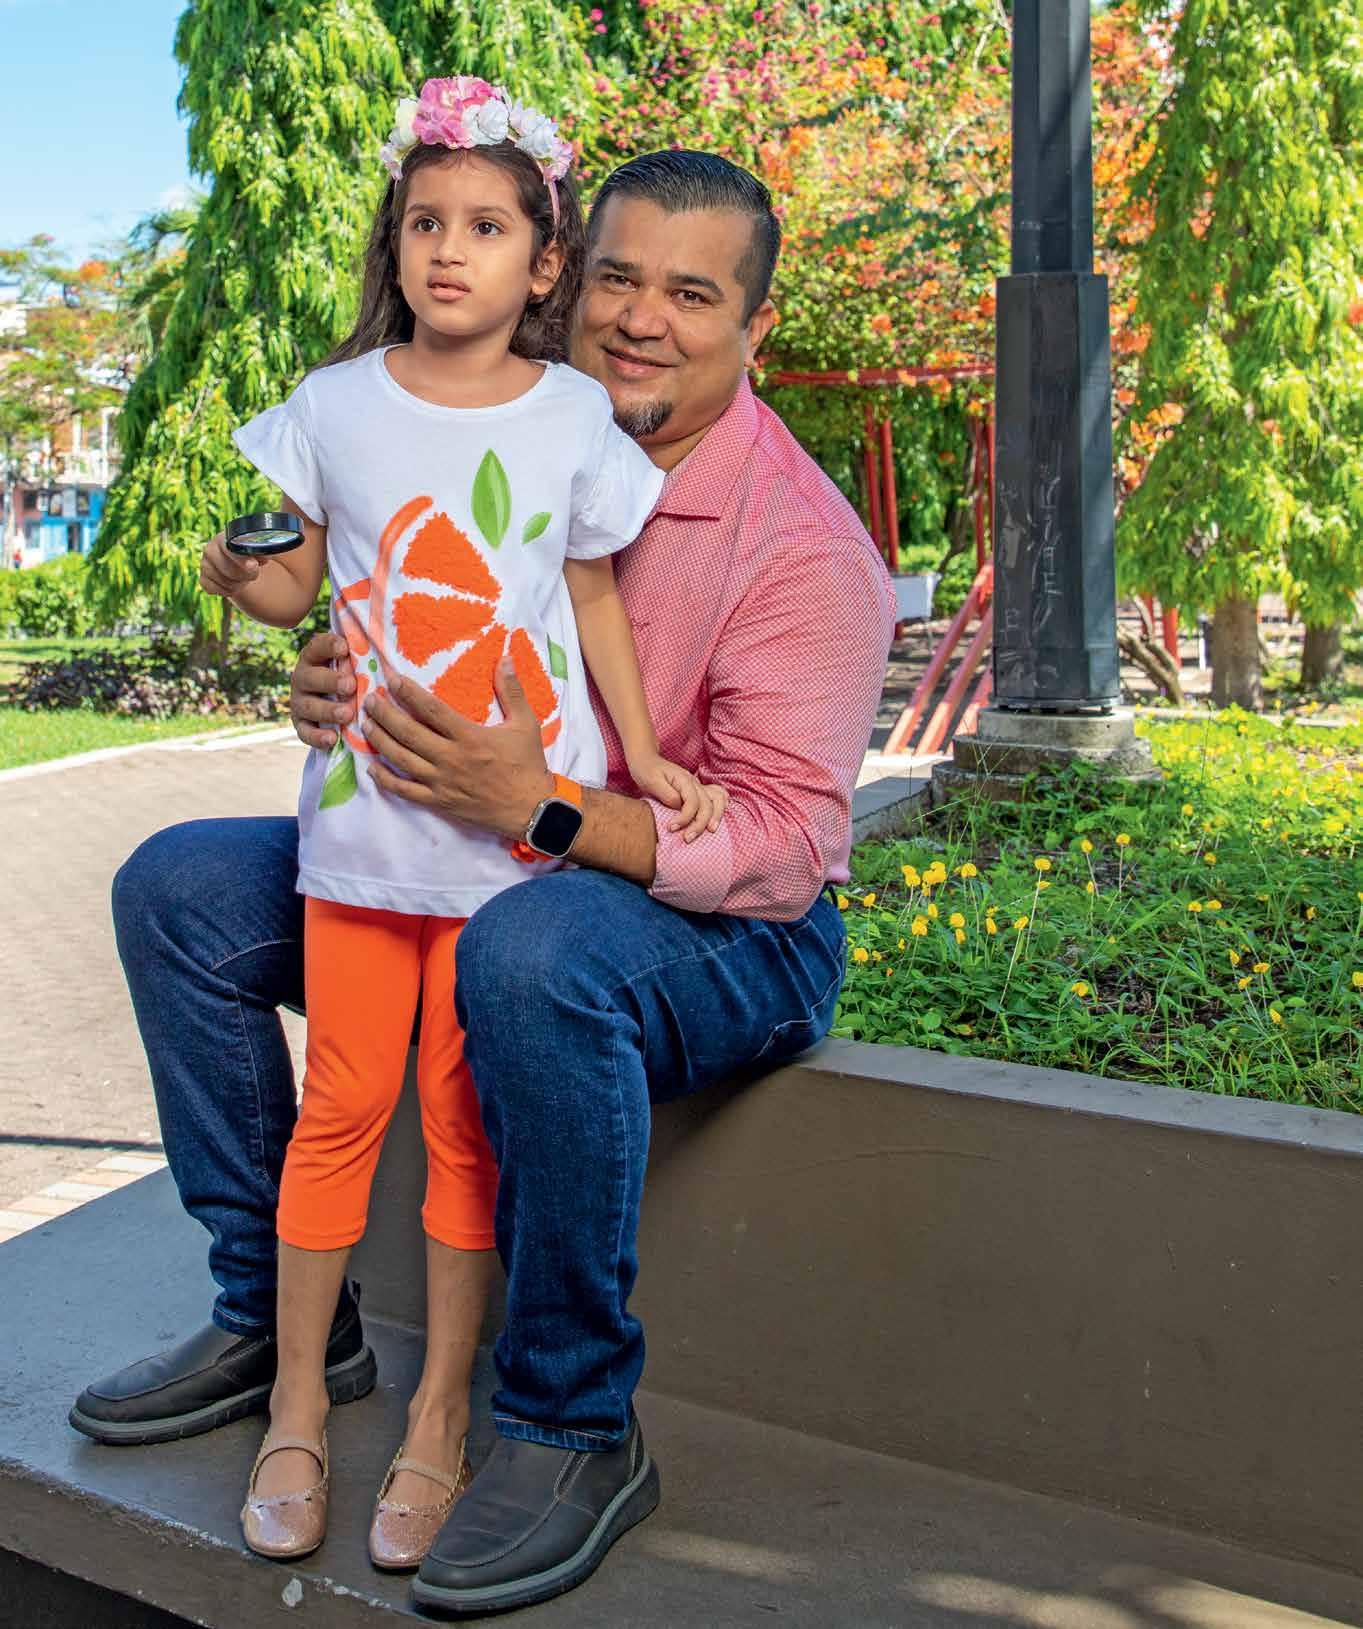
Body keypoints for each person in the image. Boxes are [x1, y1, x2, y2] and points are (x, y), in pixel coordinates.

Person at [72, 145, 895, 1613]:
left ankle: (575, 1420)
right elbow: (383, 588)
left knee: (531, 951)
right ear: (570, 282)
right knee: (179, 889)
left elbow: (780, 851)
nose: (640, 318)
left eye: (691, 295)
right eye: (620, 279)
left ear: (754, 327)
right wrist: (326, 669)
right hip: (460, 849)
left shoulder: (803, 548)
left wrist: (549, 811)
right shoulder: (511, 421)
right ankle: (281, 1324)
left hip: (721, 927)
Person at [203, 78, 725, 1567]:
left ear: (542, 264)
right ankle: (296, 1400)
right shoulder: (334, 404)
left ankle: (440, 1414)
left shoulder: (572, 417)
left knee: (458, 1128)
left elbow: (592, 594)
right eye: (426, 221)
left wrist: (645, 759)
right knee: (338, 1108)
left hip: (506, 853)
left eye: (487, 226)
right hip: (363, 832)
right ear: (398, 240)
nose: (450, 249)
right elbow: (295, 580)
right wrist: (246, 583)